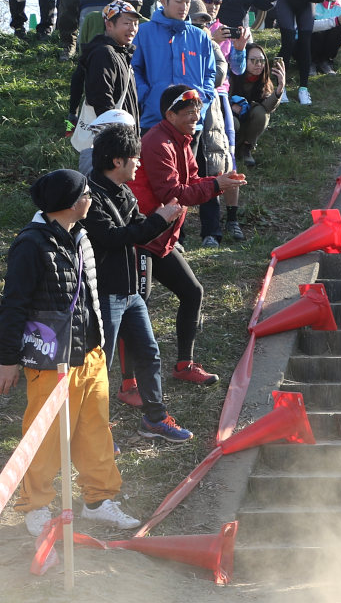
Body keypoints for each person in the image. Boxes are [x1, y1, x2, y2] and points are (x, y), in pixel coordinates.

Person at [0, 169, 142, 537]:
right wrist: (7, 359)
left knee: (95, 430)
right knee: (44, 434)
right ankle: (36, 506)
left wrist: (99, 345)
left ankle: (97, 500)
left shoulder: (80, 237)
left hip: (90, 355)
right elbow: (13, 304)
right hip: (51, 359)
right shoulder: (30, 244)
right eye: (85, 194)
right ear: (69, 202)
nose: (90, 198)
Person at [129, 85, 245, 385]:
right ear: (170, 114)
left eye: (197, 111)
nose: (196, 116)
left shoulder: (182, 140)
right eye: (189, 112)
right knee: (135, 308)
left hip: (162, 239)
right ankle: (129, 383)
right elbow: (173, 194)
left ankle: (184, 365)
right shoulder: (157, 142)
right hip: (142, 239)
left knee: (192, 292)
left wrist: (219, 181)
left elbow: (192, 181)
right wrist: (217, 185)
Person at [83, 125, 192, 441]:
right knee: (99, 365)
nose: (138, 164)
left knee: (148, 352)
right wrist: (161, 219)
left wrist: (162, 219)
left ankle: (155, 418)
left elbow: (140, 228)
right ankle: (94, 433)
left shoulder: (123, 192)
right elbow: (114, 238)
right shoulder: (91, 198)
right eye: (135, 159)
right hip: (105, 294)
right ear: (117, 161)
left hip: (130, 294)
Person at [189, 0, 246, 245]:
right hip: (192, 98)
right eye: (207, 0)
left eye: (217, 2)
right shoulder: (193, 29)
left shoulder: (225, 28)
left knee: (224, 157)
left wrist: (238, 48)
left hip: (219, 97)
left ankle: (230, 218)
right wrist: (210, 40)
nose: (212, 6)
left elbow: (236, 70)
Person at [132, 0, 217, 131]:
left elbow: (210, 74)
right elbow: (134, 69)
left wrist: (203, 98)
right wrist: (146, 96)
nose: (184, 7)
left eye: (188, 2)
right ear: (163, 1)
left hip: (192, 122)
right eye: (179, 1)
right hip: (154, 119)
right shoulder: (143, 33)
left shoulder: (200, 36)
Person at [73, 0, 145, 174]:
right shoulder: (103, 53)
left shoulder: (121, 53)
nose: (132, 28)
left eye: (135, 24)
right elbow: (101, 99)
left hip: (115, 144)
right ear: (109, 24)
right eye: (126, 23)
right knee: (98, 194)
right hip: (106, 147)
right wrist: (118, 141)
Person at [229, 44, 284, 167]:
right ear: (243, 60)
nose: (258, 64)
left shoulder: (263, 80)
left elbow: (268, 108)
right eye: (253, 60)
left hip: (249, 122)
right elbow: (220, 99)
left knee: (261, 113)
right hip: (232, 120)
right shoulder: (232, 76)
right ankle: (229, 150)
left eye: (261, 60)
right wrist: (230, 106)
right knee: (233, 122)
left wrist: (280, 88)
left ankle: (246, 148)